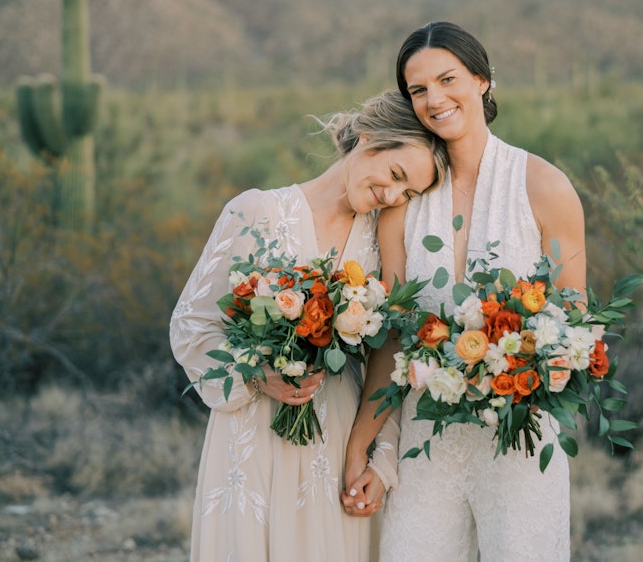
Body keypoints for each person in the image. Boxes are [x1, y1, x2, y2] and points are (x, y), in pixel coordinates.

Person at [170, 89, 449, 562]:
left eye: (408, 193)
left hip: (337, 442)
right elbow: (192, 325)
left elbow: (390, 352)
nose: (393, 195)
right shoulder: (255, 211)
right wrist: (257, 373)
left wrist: (380, 456)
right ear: (367, 138)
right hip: (251, 435)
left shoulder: (383, 241)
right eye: (396, 175)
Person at [344, 22, 584, 561]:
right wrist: (366, 437)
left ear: (482, 80)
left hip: (521, 437)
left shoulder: (544, 186)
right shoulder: (405, 196)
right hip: (427, 439)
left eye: (447, 79)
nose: (435, 99)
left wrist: (515, 368)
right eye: (418, 90)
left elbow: (577, 324)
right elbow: (393, 334)